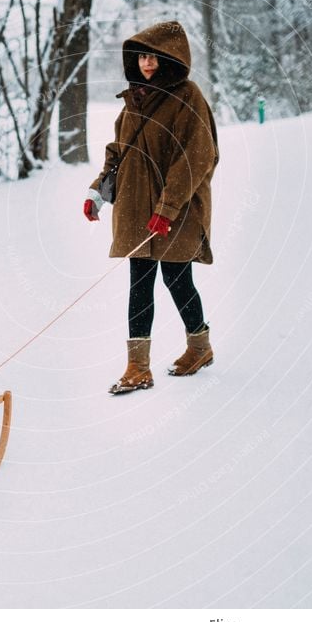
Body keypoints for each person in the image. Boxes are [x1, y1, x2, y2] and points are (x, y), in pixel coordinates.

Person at [83, 20, 219, 394]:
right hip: (136, 207)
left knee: (178, 280)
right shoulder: (135, 98)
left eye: (153, 56)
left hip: (177, 211)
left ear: (169, 58)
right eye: (141, 56)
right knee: (140, 283)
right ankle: (137, 367)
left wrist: (168, 209)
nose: (146, 62)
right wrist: (98, 192)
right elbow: (118, 152)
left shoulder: (188, 97)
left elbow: (196, 157)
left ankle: (199, 347)